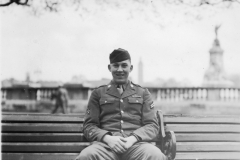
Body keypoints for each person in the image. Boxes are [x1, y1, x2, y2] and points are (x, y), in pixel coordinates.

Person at [75, 48, 173, 160]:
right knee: (86, 156)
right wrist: (107, 138)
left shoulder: (143, 93)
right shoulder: (98, 93)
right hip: (105, 147)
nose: (120, 69)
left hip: (137, 147)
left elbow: (152, 125)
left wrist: (132, 139)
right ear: (109, 68)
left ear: (130, 68)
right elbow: (89, 126)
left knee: (155, 155)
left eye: (124, 65)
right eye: (115, 65)